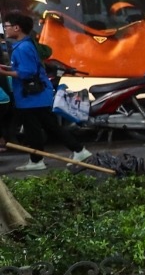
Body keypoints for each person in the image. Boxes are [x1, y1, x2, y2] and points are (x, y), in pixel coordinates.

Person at [1, 13, 91, 171]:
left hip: (31, 97)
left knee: (42, 128)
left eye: (7, 26)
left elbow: (27, 72)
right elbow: (28, 68)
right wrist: (8, 69)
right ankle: (39, 159)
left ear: (17, 28)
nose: (5, 29)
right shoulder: (26, 45)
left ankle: (76, 151)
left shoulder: (22, 48)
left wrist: (4, 73)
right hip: (34, 96)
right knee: (39, 128)